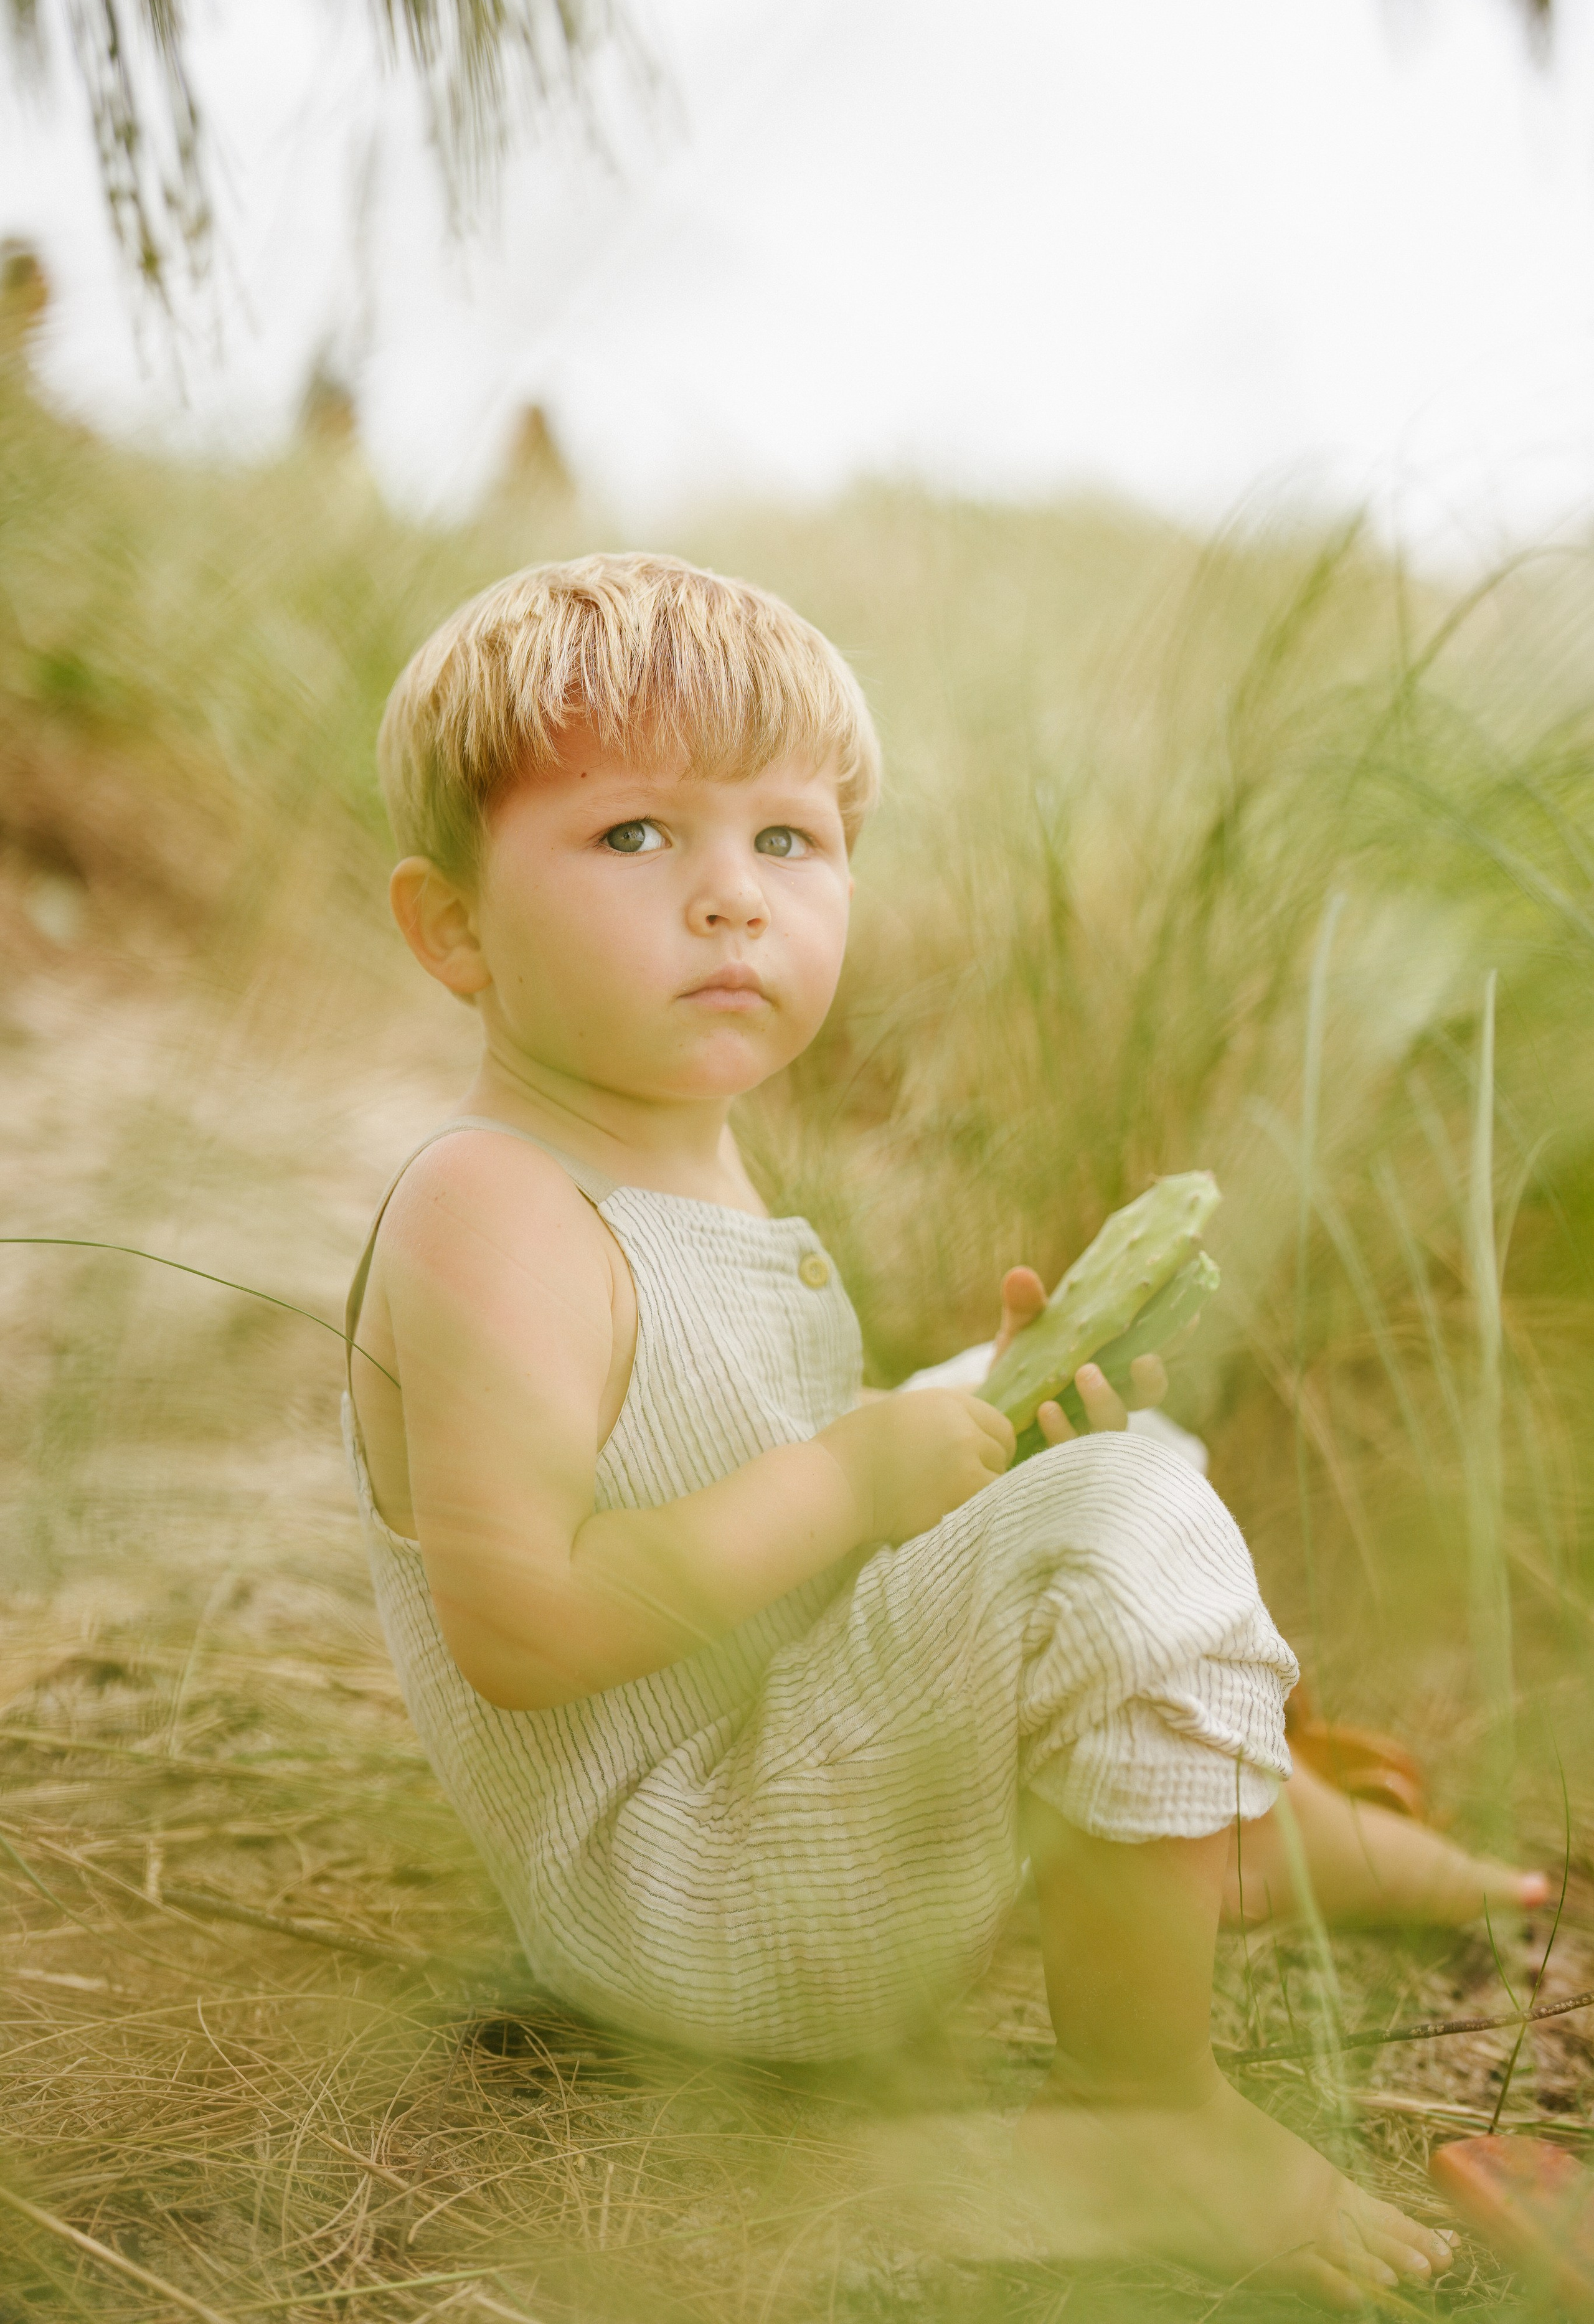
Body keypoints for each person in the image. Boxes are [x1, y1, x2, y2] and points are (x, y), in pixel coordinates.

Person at [344, 554, 1540, 2307]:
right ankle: (1145, 2105)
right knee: (1115, 1520)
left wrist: (956, 1425)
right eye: (633, 839)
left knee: (1103, 1475)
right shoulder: (493, 1206)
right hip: (689, 1885)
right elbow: (524, 1625)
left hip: (773, 1795)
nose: (730, 902)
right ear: (452, 926)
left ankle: (1348, 1854)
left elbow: (744, 1505)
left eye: (787, 843)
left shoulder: (692, 1164)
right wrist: (855, 1479)